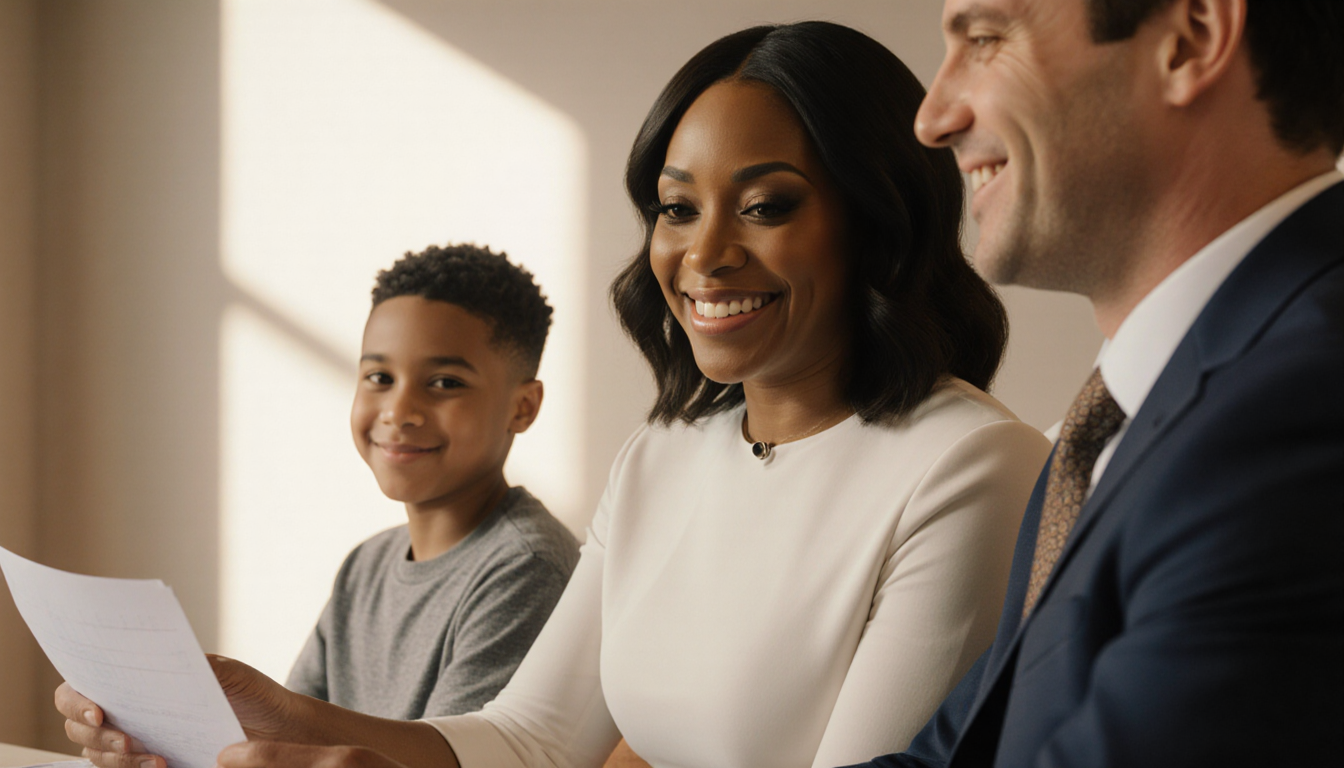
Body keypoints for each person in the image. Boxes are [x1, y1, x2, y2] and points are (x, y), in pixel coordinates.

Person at [56, 22, 1051, 768]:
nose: (703, 255)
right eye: (674, 208)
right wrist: (264, 714)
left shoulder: (971, 467)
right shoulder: (664, 454)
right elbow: (531, 741)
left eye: (765, 206)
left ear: (879, 218)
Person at [845, 0, 1344, 766]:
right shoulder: (1127, 411)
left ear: (1191, 40)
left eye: (984, 39)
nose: (933, 118)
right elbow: (958, 752)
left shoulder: (1296, 412)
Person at [285, 244, 579, 719]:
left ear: (522, 407)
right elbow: (280, 735)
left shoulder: (527, 568)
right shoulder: (365, 568)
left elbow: (452, 754)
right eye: (379, 377)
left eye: (444, 383)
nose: (399, 412)